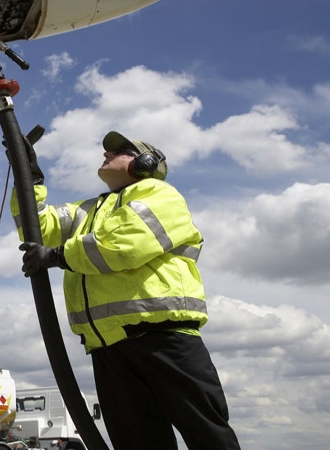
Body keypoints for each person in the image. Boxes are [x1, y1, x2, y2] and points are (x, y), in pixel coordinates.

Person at [12, 131, 241, 449]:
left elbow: (125, 244)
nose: (106, 154)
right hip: (108, 348)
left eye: (120, 150)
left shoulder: (159, 194)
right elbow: (34, 225)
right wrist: (30, 177)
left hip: (164, 338)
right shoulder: (87, 211)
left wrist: (56, 255)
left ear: (147, 163)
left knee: (207, 435)